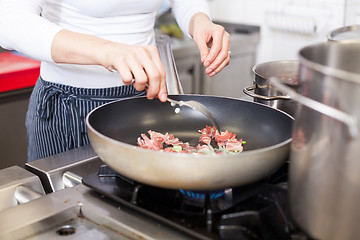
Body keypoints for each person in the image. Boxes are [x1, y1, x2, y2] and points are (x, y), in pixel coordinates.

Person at [0, 0, 231, 162]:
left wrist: (199, 20)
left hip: (146, 101)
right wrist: (106, 50)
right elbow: (9, 21)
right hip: (66, 107)